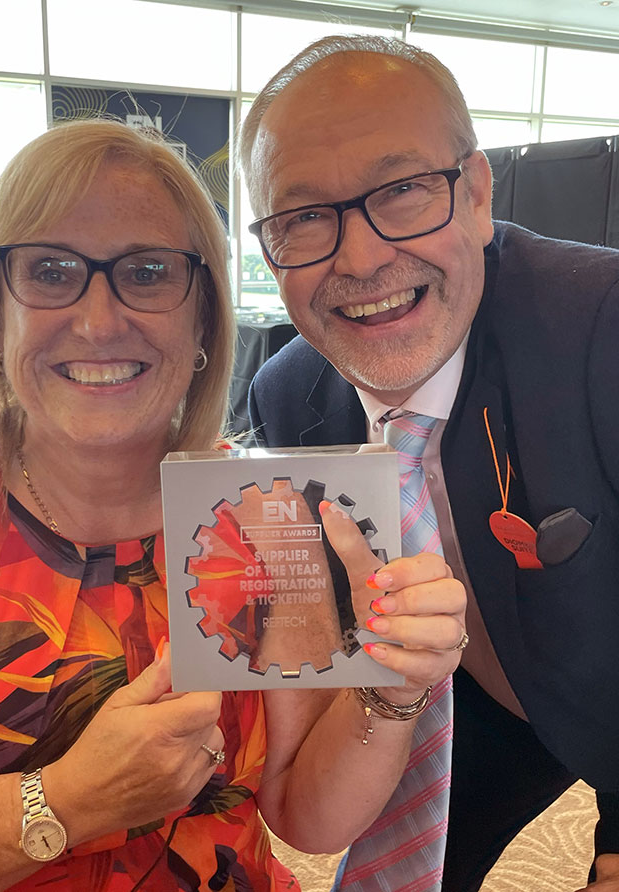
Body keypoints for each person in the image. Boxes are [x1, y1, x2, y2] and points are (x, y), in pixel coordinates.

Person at [0, 119, 467, 891]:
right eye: (51, 271)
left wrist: (388, 691)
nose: (99, 322)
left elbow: (305, 816)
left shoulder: (255, 513)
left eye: (149, 271)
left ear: (204, 319)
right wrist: (66, 802)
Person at [239, 33, 619, 892]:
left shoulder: (603, 330)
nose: (362, 258)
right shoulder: (286, 401)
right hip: (473, 698)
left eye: (403, 191)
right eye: (305, 217)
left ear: (477, 195)